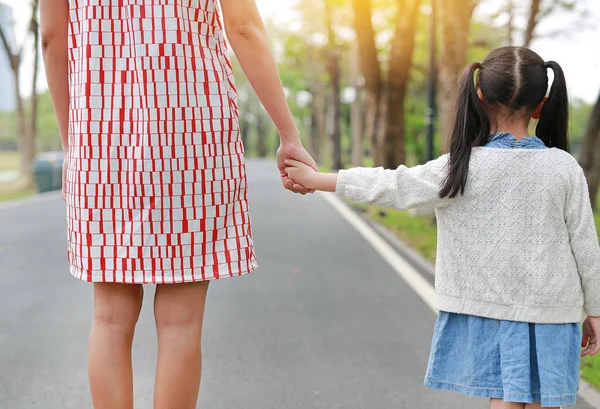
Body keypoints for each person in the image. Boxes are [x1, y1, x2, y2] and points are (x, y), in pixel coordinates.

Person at [285, 46, 600, 409]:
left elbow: (392, 185)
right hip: (552, 312)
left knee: (504, 400)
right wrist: (594, 309)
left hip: (488, 309)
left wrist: (315, 179)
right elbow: (586, 248)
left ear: (479, 99)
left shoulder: (461, 167)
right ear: (543, 103)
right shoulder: (563, 167)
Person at [39, 0, 316, 408]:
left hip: (101, 144)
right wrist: (288, 134)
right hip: (192, 137)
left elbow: (52, 38)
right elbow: (244, 30)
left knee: (110, 318)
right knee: (181, 322)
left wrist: (73, 142)